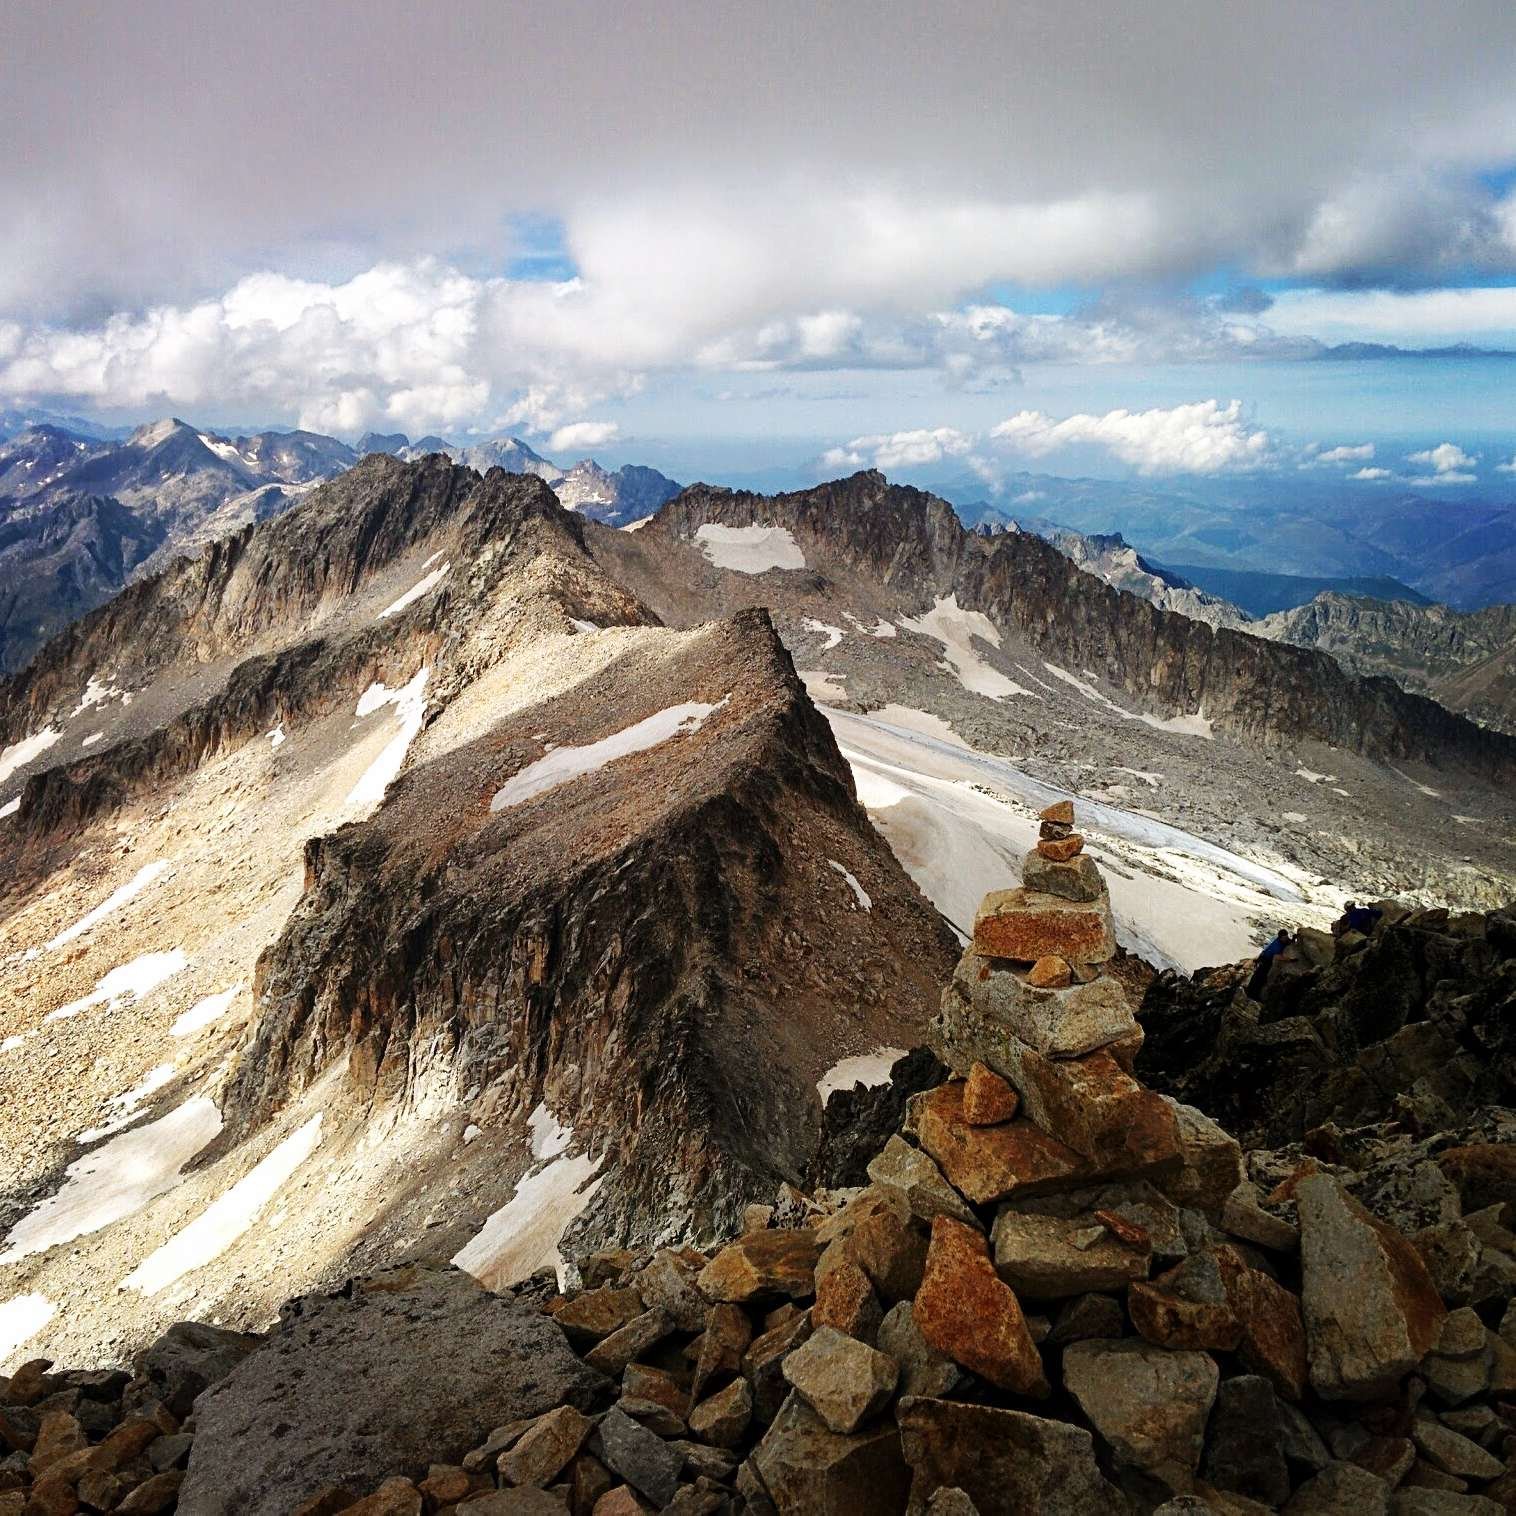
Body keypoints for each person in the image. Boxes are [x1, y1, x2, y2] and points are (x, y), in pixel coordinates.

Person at [1247, 929, 1291, 1001]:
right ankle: (1252, 994)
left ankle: (1251, 992)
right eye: (1284, 937)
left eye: (1286, 937)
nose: (1286, 939)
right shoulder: (1276, 945)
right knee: (1260, 977)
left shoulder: (1282, 940)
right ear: (1281, 937)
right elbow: (1277, 956)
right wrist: (1289, 959)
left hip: (1266, 958)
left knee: (1259, 976)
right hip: (1266, 960)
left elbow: (1288, 942)